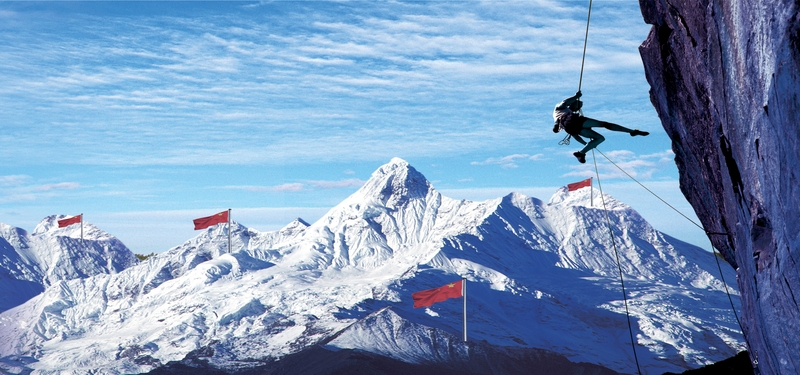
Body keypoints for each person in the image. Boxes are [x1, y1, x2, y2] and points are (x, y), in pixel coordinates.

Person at [553, 91, 649, 163]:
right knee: (604, 124)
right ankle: (632, 131)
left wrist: (587, 145)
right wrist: (576, 96)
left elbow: (575, 136)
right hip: (571, 121)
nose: (578, 108)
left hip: (571, 127)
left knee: (600, 138)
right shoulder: (560, 109)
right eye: (578, 106)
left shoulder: (562, 116)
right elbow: (564, 102)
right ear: (573, 104)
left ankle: (581, 153)